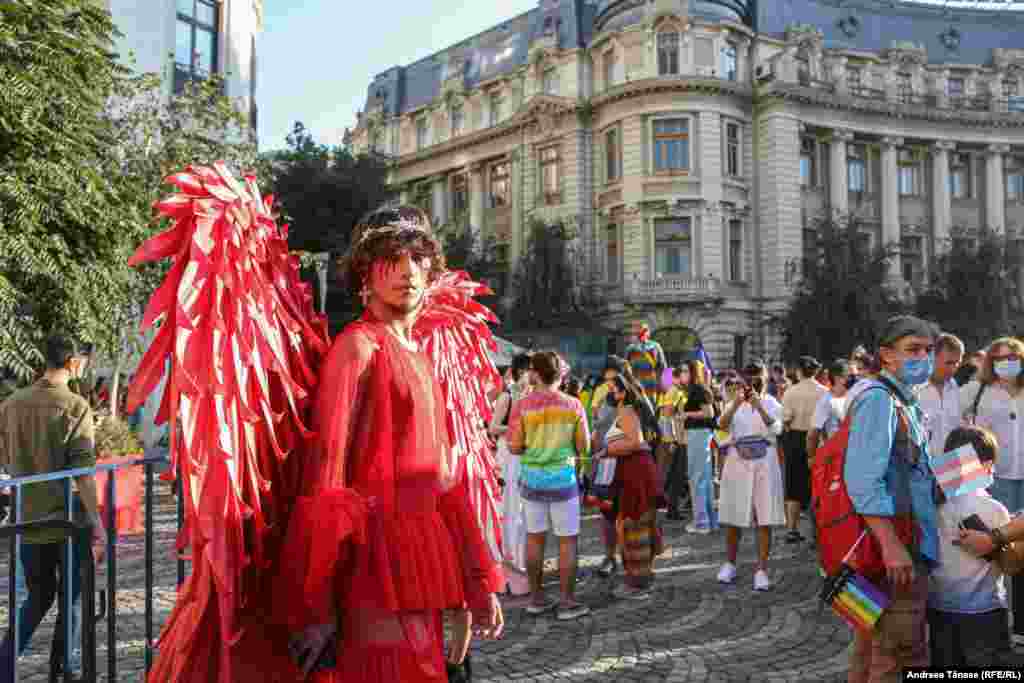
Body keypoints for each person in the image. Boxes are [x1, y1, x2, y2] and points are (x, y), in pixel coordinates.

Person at [275, 207, 503, 682]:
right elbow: (326, 479)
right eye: (389, 258)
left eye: (418, 257)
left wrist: (476, 581)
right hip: (369, 566)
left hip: (421, 557)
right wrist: (316, 604)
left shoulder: (420, 355)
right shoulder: (357, 347)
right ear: (364, 273)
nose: (406, 270)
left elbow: (444, 477)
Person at [0, 335, 107, 683]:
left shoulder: (11, 404)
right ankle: (67, 669)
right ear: (74, 363)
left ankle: (3, 664)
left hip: (25, 518)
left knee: (37, 595)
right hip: (66, 520)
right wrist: (98, 524)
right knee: (72, 597)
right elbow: (84, 475)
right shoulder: (76, 406)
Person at [845, 315, 940, 683]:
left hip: (894, 544)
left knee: (872, 649)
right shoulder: (879, 401)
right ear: (886, 354)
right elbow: (863, 481)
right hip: (892, 549)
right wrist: (891, 546)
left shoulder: (903, 401)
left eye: (928, 350)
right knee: (898, 654)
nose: (924, 358)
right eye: (913, 350)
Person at [508, 351, 591, 621]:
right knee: (567, 541)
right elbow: (584, 446)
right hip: (563, 480)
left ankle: (536, 598)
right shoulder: (573, 405)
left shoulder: (522, 405)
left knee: (535, 538)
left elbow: (514, 445)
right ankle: (567, 602)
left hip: (532, 480)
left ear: (536, 372)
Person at [928, 425, 1013, 668]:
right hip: (984, 613)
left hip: (939, 609)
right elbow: (1010, 561)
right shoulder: (994, 509)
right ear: (985, 466)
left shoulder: (931, 503)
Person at [959, 336, 1024, 645]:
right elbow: (954, 430)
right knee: (999, 552)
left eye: (1013, 356)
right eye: (999, 358)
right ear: (990, 362)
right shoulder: (976, 392)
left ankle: (1021, 621)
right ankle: (1003, 616)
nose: (1007, 362)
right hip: (994, 481)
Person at [716, 360, 785, 591]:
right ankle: (730, 563)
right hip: (738, 461)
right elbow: (721, 427)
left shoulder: (772, 402)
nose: (754, 383)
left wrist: (760, 406)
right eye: (750, 379)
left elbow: (777, 429)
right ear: (743, 380)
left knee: (763, 516)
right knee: (735, 514)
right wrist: (736, 404)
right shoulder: (732, 401)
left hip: (764, 460)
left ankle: (762, 569)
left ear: (765, 379)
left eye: (759, 378)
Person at [603, 375, 662, 598]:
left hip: (635, 472)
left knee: (633, 523)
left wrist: (609, 449)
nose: (610, 395)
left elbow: (635, 442)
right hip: (636, 470)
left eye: (613, 390)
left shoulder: (627, 411)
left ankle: (637, 583)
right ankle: (642, 578)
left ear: (623, 392)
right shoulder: (631, 410)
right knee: (638, 523)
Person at [489, 353, 532, 596]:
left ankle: (522, 567)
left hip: (525, 455)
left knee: (524, 512)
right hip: (508, 456)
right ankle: (506, 569)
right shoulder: (507, 395)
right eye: (528, 370)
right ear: (519, 371)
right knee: (508, 510)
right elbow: (493, 426)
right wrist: (515, 428)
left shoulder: (530, 396)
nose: (531, 375)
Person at [781, 356, 826, 544]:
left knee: (793, 484)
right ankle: (818, 530)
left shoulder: (790, 392)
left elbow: (786, 419)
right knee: (817, 485)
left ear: (799, 371)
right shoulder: (824, 392)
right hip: (818, 438)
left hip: (795, 438)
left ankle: (792, 529)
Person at [680, 360, 718, 534]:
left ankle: (701, 522)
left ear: (693, 373)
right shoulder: (697, 389)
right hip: (700, 434)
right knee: (704, 478)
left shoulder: (699, 389)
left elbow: (709, 413)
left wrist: (686, 414)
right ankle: (709, 520)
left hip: (699, 434)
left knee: (697, 478)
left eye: (686, 371)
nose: (683, 374)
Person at [916, 333, 964, 461]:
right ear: (931, 358)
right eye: (948, 363)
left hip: (956, 462)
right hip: (922, 468)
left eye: (957, 363)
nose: (953, 368)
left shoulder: (954, 387)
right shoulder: (912, 390)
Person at [664, 366, 690, 521]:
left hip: (682, 439)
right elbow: (667, 416)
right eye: (685, 373)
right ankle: (672, 509)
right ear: (677, 376)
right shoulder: (673, 391)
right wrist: (673, 439)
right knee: (677, 476)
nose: (688, 375)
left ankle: (672, 508)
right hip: (679, 440)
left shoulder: (679, 391)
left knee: (677, 475)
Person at [624, 322, 668, 403]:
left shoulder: (655, 346)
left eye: (644, 330)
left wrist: (667, 386)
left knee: (653, 410)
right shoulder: (630, 349)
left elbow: (664, 367)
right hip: (637, 387)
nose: (641, 333)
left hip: (653, 385)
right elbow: (626, 369)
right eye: (638, 332)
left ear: (648, 332)